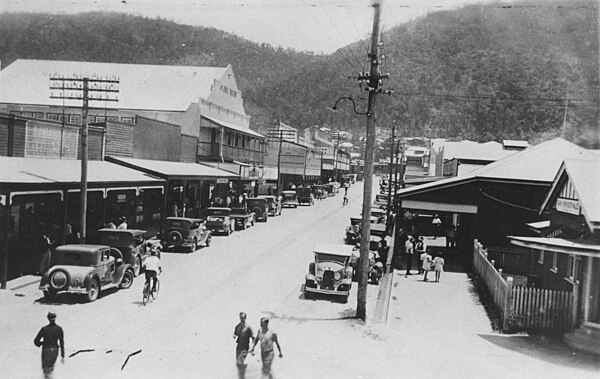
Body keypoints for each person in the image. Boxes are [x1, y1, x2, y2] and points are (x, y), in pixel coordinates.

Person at [34, 312, 65, 379]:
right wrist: (62, 355)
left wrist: (42, 343)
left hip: (46, 350)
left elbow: (36, 341)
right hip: (55, 350)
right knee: (51, 369)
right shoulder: (59, 329)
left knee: (45, 370)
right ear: (55, 318)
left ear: (48, 318)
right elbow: (62, 343)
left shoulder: (44, 329)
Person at [233, 312, 254, 379]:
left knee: (240, 362)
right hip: (238, 347)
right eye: (240, 318)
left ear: (245, 318)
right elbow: (235, 333)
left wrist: (252, 348)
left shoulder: (248, 327)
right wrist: (234, 335)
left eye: (243, 318)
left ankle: (243, 375)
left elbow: (253, 337)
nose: (241, 319)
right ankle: (242, 376)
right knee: (238, 364)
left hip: (245, 347)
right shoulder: (238, 326)